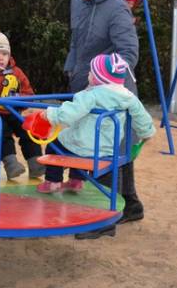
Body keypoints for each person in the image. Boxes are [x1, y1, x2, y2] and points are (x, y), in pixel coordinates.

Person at [63, 0, 144, 239]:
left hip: (111, 89)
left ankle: (103, 220)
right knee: (115, 147)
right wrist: (72, 69)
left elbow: (128, 53)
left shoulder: (116, 7)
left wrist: (104, 81)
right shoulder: (76, 2)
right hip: (83, 83)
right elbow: (76, 41)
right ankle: (131, 204)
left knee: (106, 147)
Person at [37, 54, 154, 196]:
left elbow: (71, 112)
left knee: (56, 144)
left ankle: (52, 182)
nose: (89, 74)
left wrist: (50, 115)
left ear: (100, 78)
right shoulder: (129, 97)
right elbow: (142, 117)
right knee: (77, 144)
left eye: (92, 72)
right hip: (107, 148)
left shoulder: (91, 95)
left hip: (83, 145)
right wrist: (147, 133)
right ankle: (76, 180)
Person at [0, 23, 44, 179]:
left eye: (4, 54)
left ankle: (35, 163)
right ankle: (11, 163)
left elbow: (29, 94)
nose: (1, 58)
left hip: (12, 111)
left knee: (29, 129)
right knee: (1, 130)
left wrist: (18, 99)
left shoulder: (16, 72)